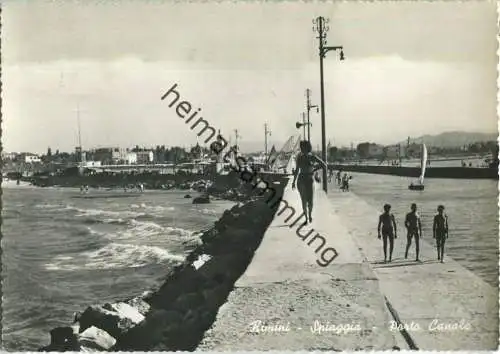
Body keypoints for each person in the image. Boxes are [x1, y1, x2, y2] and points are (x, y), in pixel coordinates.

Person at [292, 140, 325, 224]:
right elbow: (296, 170)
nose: (302, 149)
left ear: (308, 148)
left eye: (303, 147)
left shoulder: (312, 157)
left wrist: (314, 169)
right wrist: (293, 182)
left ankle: (309, 214)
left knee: (310, 202)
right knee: (303, 200)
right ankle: (306, 218)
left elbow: (324, 165)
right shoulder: (300, 158)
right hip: (301, 179)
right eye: (301, 147)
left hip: (310, 179)